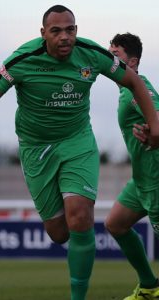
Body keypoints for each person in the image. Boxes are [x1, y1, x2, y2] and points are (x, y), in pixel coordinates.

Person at [0, 6, 159, 300]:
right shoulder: (23, 59)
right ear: (43, 34)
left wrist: (154, 125)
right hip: (36, 148)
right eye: (56, 31)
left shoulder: (91, 55)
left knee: (80, 216)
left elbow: (133, 81)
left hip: (77, 141)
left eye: (71, 29)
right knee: (59, 232)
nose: (65, 37)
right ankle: (149, 285)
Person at [105, 32, 159, 300]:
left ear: (133, 62)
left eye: (115, 56)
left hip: (156, 179)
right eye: (109, 54)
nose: (109, 61)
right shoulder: (126, 89)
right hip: (141, 181)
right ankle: (150, 286)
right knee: (115, 224)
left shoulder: (139, 88)